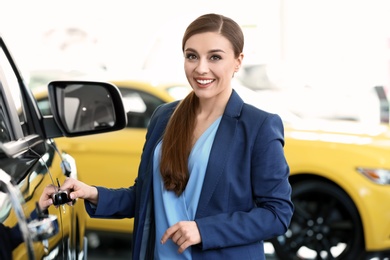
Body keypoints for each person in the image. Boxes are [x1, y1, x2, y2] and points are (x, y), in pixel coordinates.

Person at [49, 13, 294, 259]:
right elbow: (146, 197)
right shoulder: (164, 117)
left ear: (238, 61)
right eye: (192, 56)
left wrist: (204, 230)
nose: (201, 68)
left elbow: (276, 214)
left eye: (215, 57)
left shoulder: (259, 126)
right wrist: (93, 193)